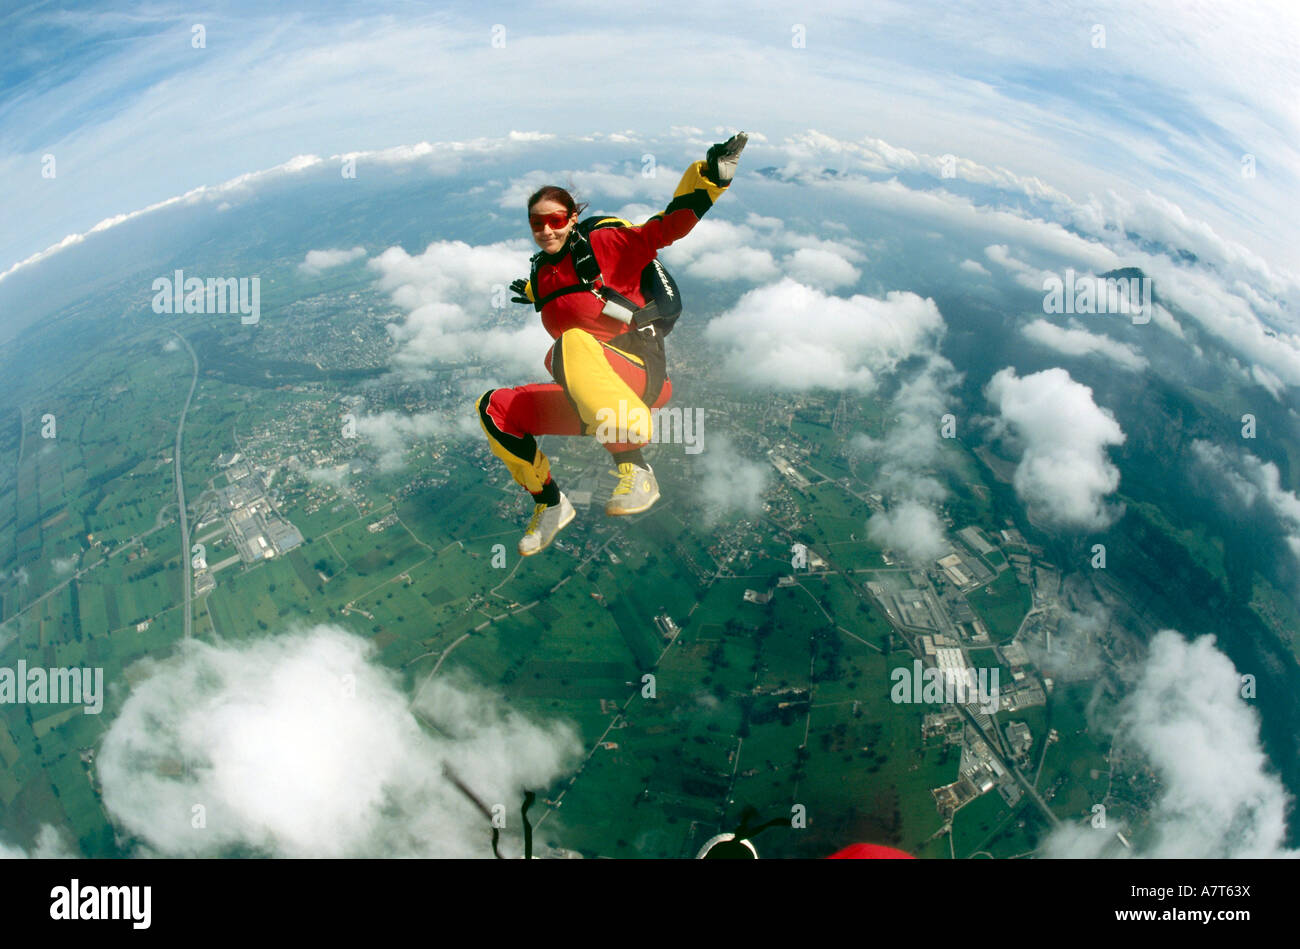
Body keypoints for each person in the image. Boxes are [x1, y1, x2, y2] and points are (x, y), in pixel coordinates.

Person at [475, 132, 748, 556]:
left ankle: (635, 469)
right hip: (591, 394)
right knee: (495, 408)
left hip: (639, 378)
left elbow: (666, 227)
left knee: (568, 346)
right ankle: (551, 506)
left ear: (572, 217)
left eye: (556, 219)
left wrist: (710, 179)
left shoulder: (605, 242)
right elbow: (563, 297)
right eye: (536, 223)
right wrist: (531, 292)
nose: (546, 229)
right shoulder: (543, 273)